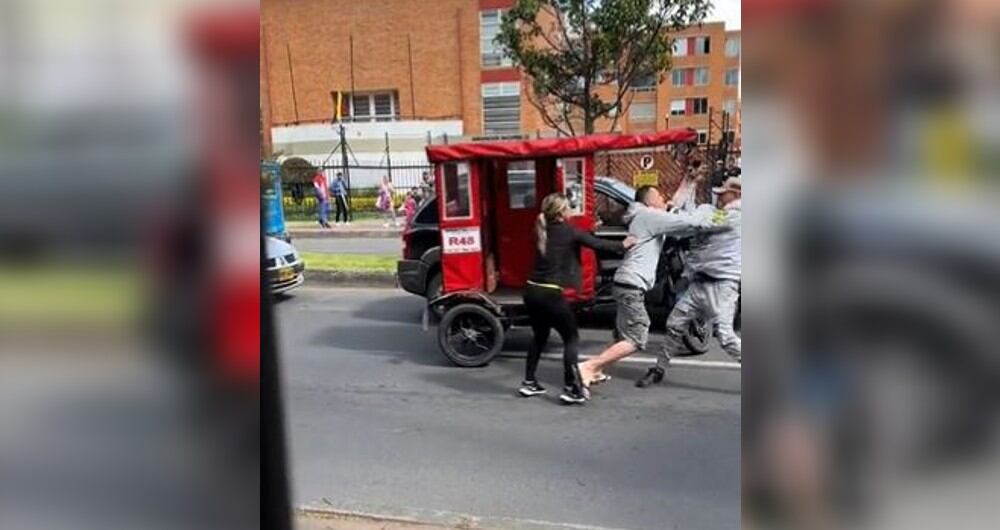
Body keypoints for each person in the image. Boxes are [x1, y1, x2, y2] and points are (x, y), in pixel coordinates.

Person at [577, 185, 723, 386]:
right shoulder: (648, 217)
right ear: (649, 201)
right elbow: (686, 223)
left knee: (622, 335)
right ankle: (589, 366)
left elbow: (674, 205)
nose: (664, 199)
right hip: (631, 285)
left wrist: (688, 182)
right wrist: (717, 218)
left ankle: (597, 369)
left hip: (625, 282)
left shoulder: (645, 216)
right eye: (660, 196)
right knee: (637, 339)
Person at [519, 193, 636, 405]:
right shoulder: (569, 232)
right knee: (571, 338)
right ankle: (572, 388)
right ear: (562, 212)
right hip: (550, 294)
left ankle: (528, 382)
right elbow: (597, 244)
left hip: (531, 291)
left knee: (539, 337)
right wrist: (624, 244)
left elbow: (575, 239)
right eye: (568, 208)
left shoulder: (541, 230)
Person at [636, 177, 741, 388]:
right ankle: (659, 369)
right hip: (699, 283)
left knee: (726, 336)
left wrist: (673, 213)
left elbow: (695, 221)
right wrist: (689, 183)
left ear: (737, 194)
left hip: (721, 286)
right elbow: (689, 211)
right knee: (674, 324)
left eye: (723, 193)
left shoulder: (736, 215)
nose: (719, 196)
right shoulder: (717, 212)